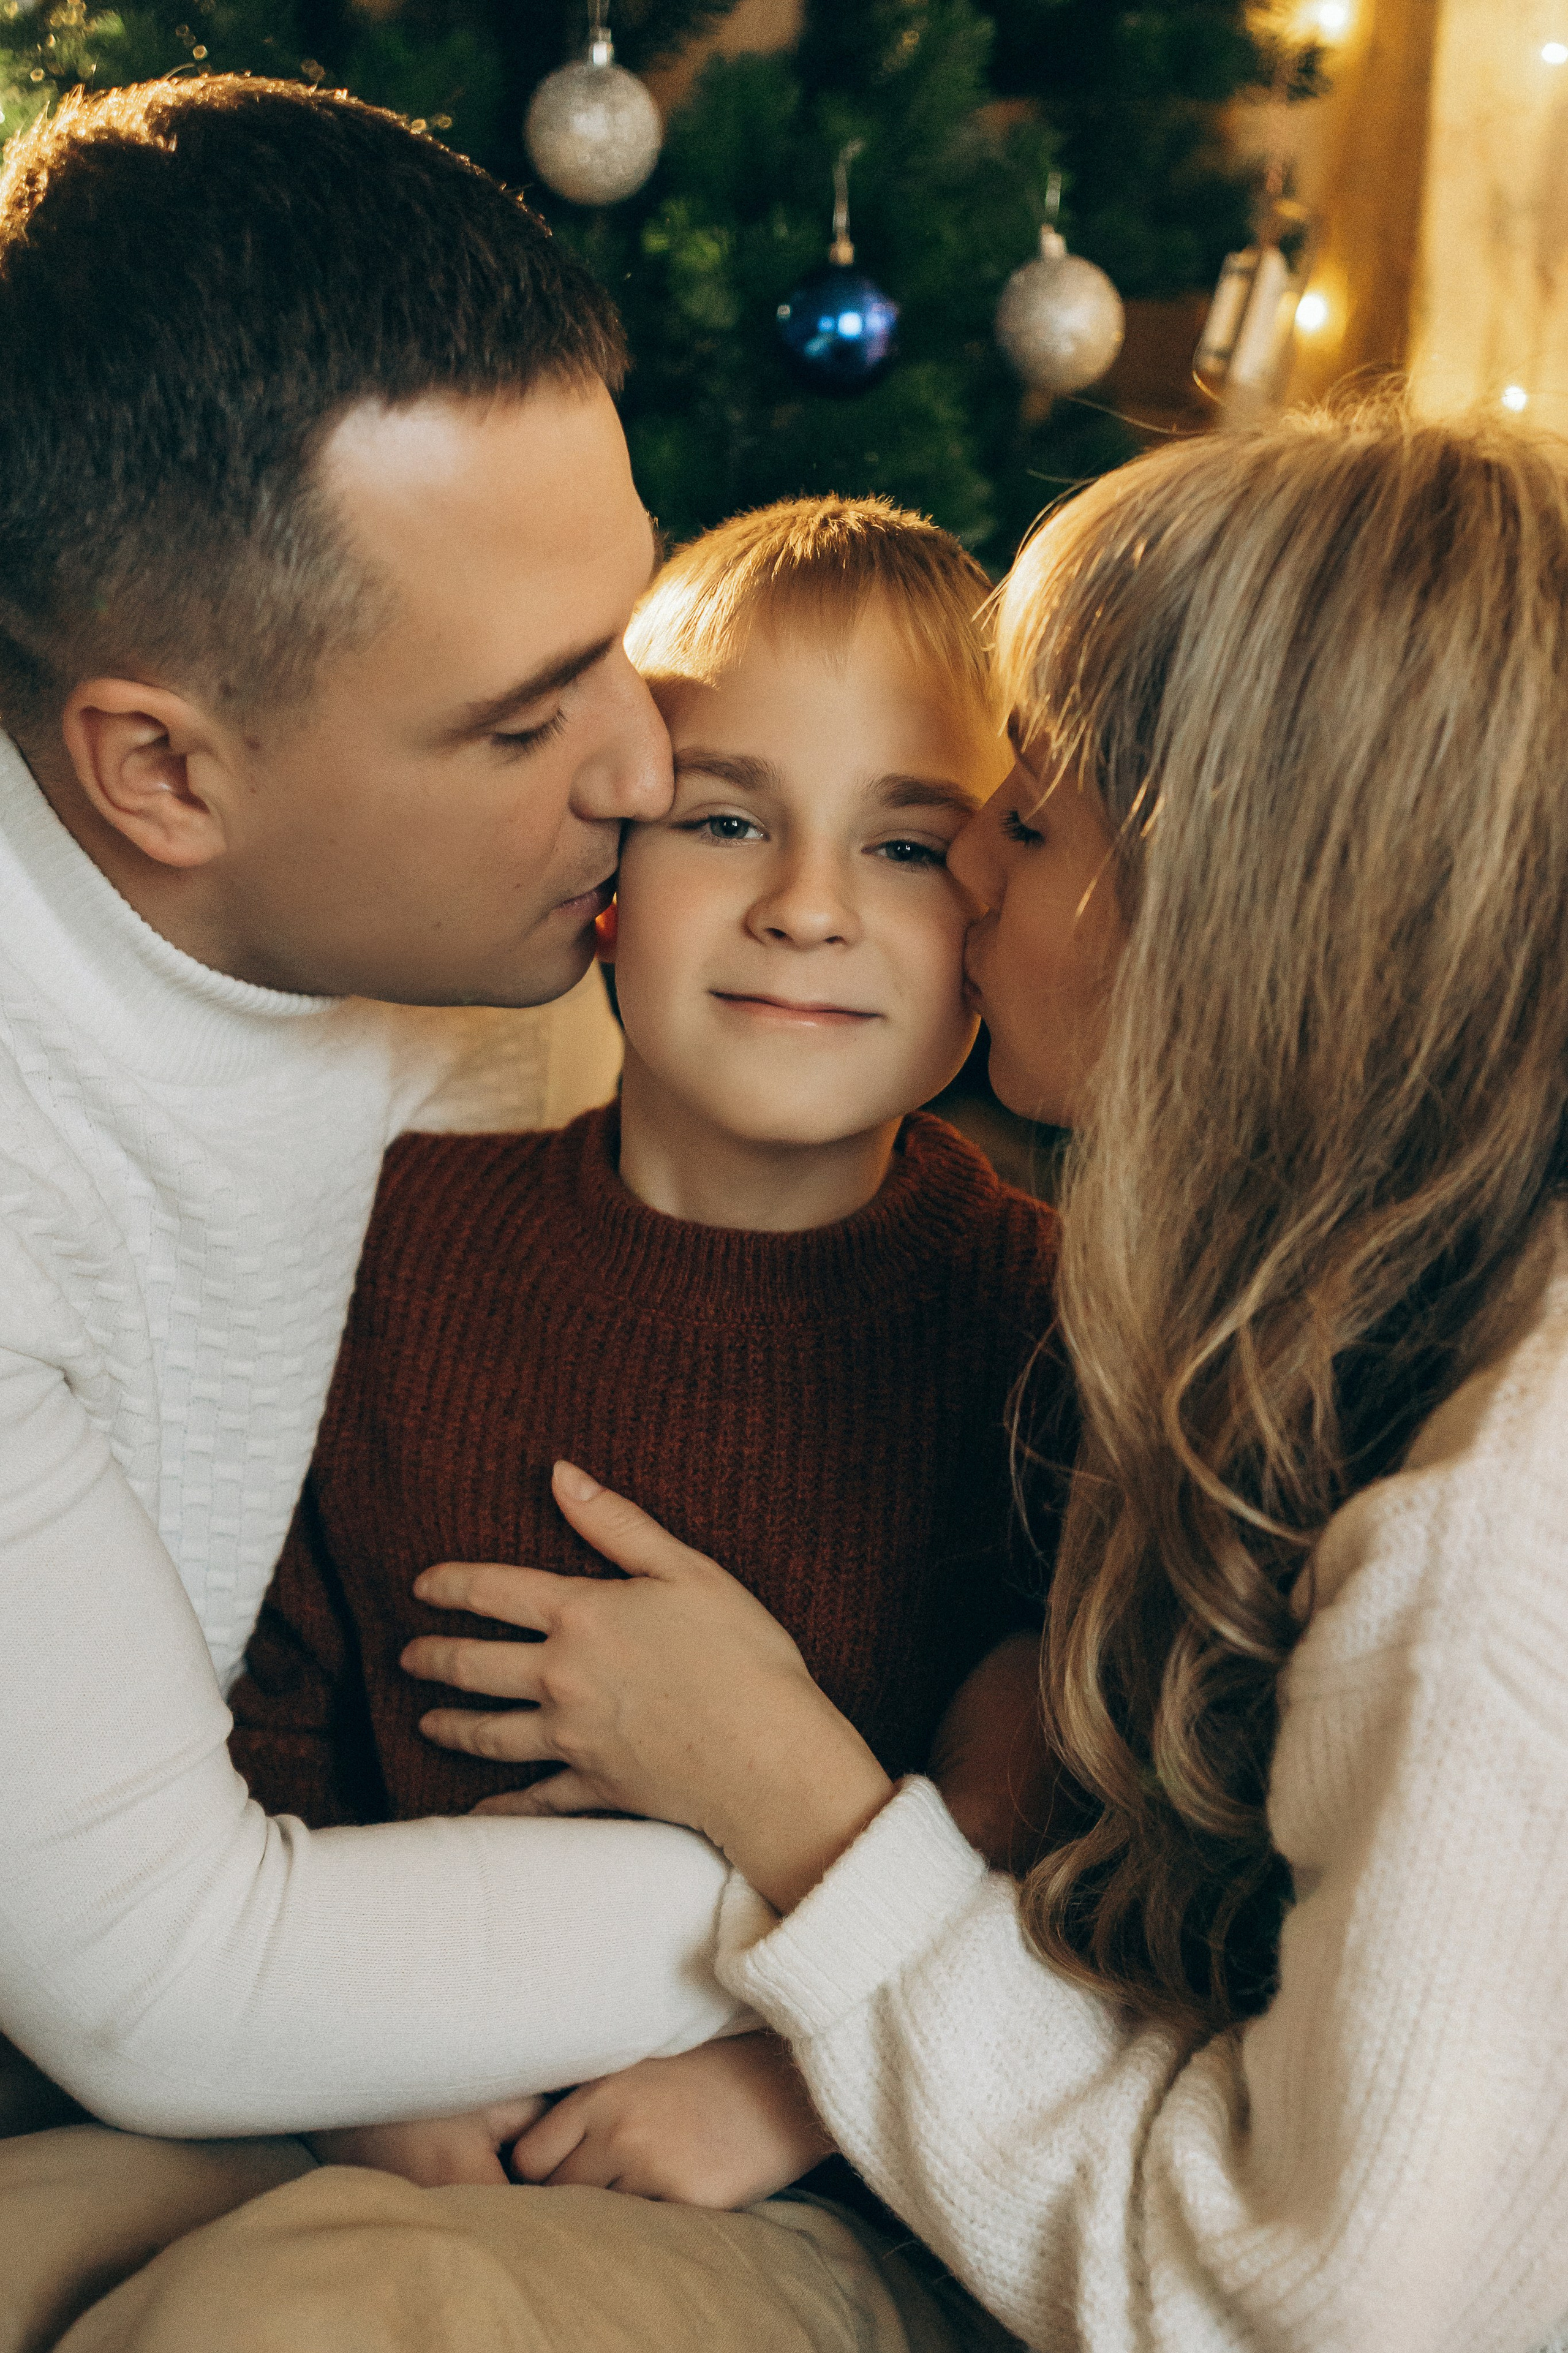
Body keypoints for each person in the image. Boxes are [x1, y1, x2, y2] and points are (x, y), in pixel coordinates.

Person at [333, 404, 1564, 2353]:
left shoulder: (1480, 1533)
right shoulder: (1300, 1331)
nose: (922, 890)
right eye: (725, 813)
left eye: (1010, 814)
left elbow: (1281, 2292)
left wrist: (782, 1805)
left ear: (1233, 897)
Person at [0, 68, 751, 2347]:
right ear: (161, 769)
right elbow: (166, 1968)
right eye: (528, 720)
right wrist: (873, 1878)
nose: (649, 765)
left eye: (622, 633)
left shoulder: (521, 936)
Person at [224, 495, 1070, 2201]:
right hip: (362, 2089)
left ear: (996, 898)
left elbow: (1055, 1847)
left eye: (905, 844)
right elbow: (260, 1707)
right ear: (611, 856)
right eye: (725, 818)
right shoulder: (392, 1237)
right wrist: (341, 2080)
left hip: (817, 2165)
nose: (808, 907)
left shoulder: (1048, 1326)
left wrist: (787, 2093)